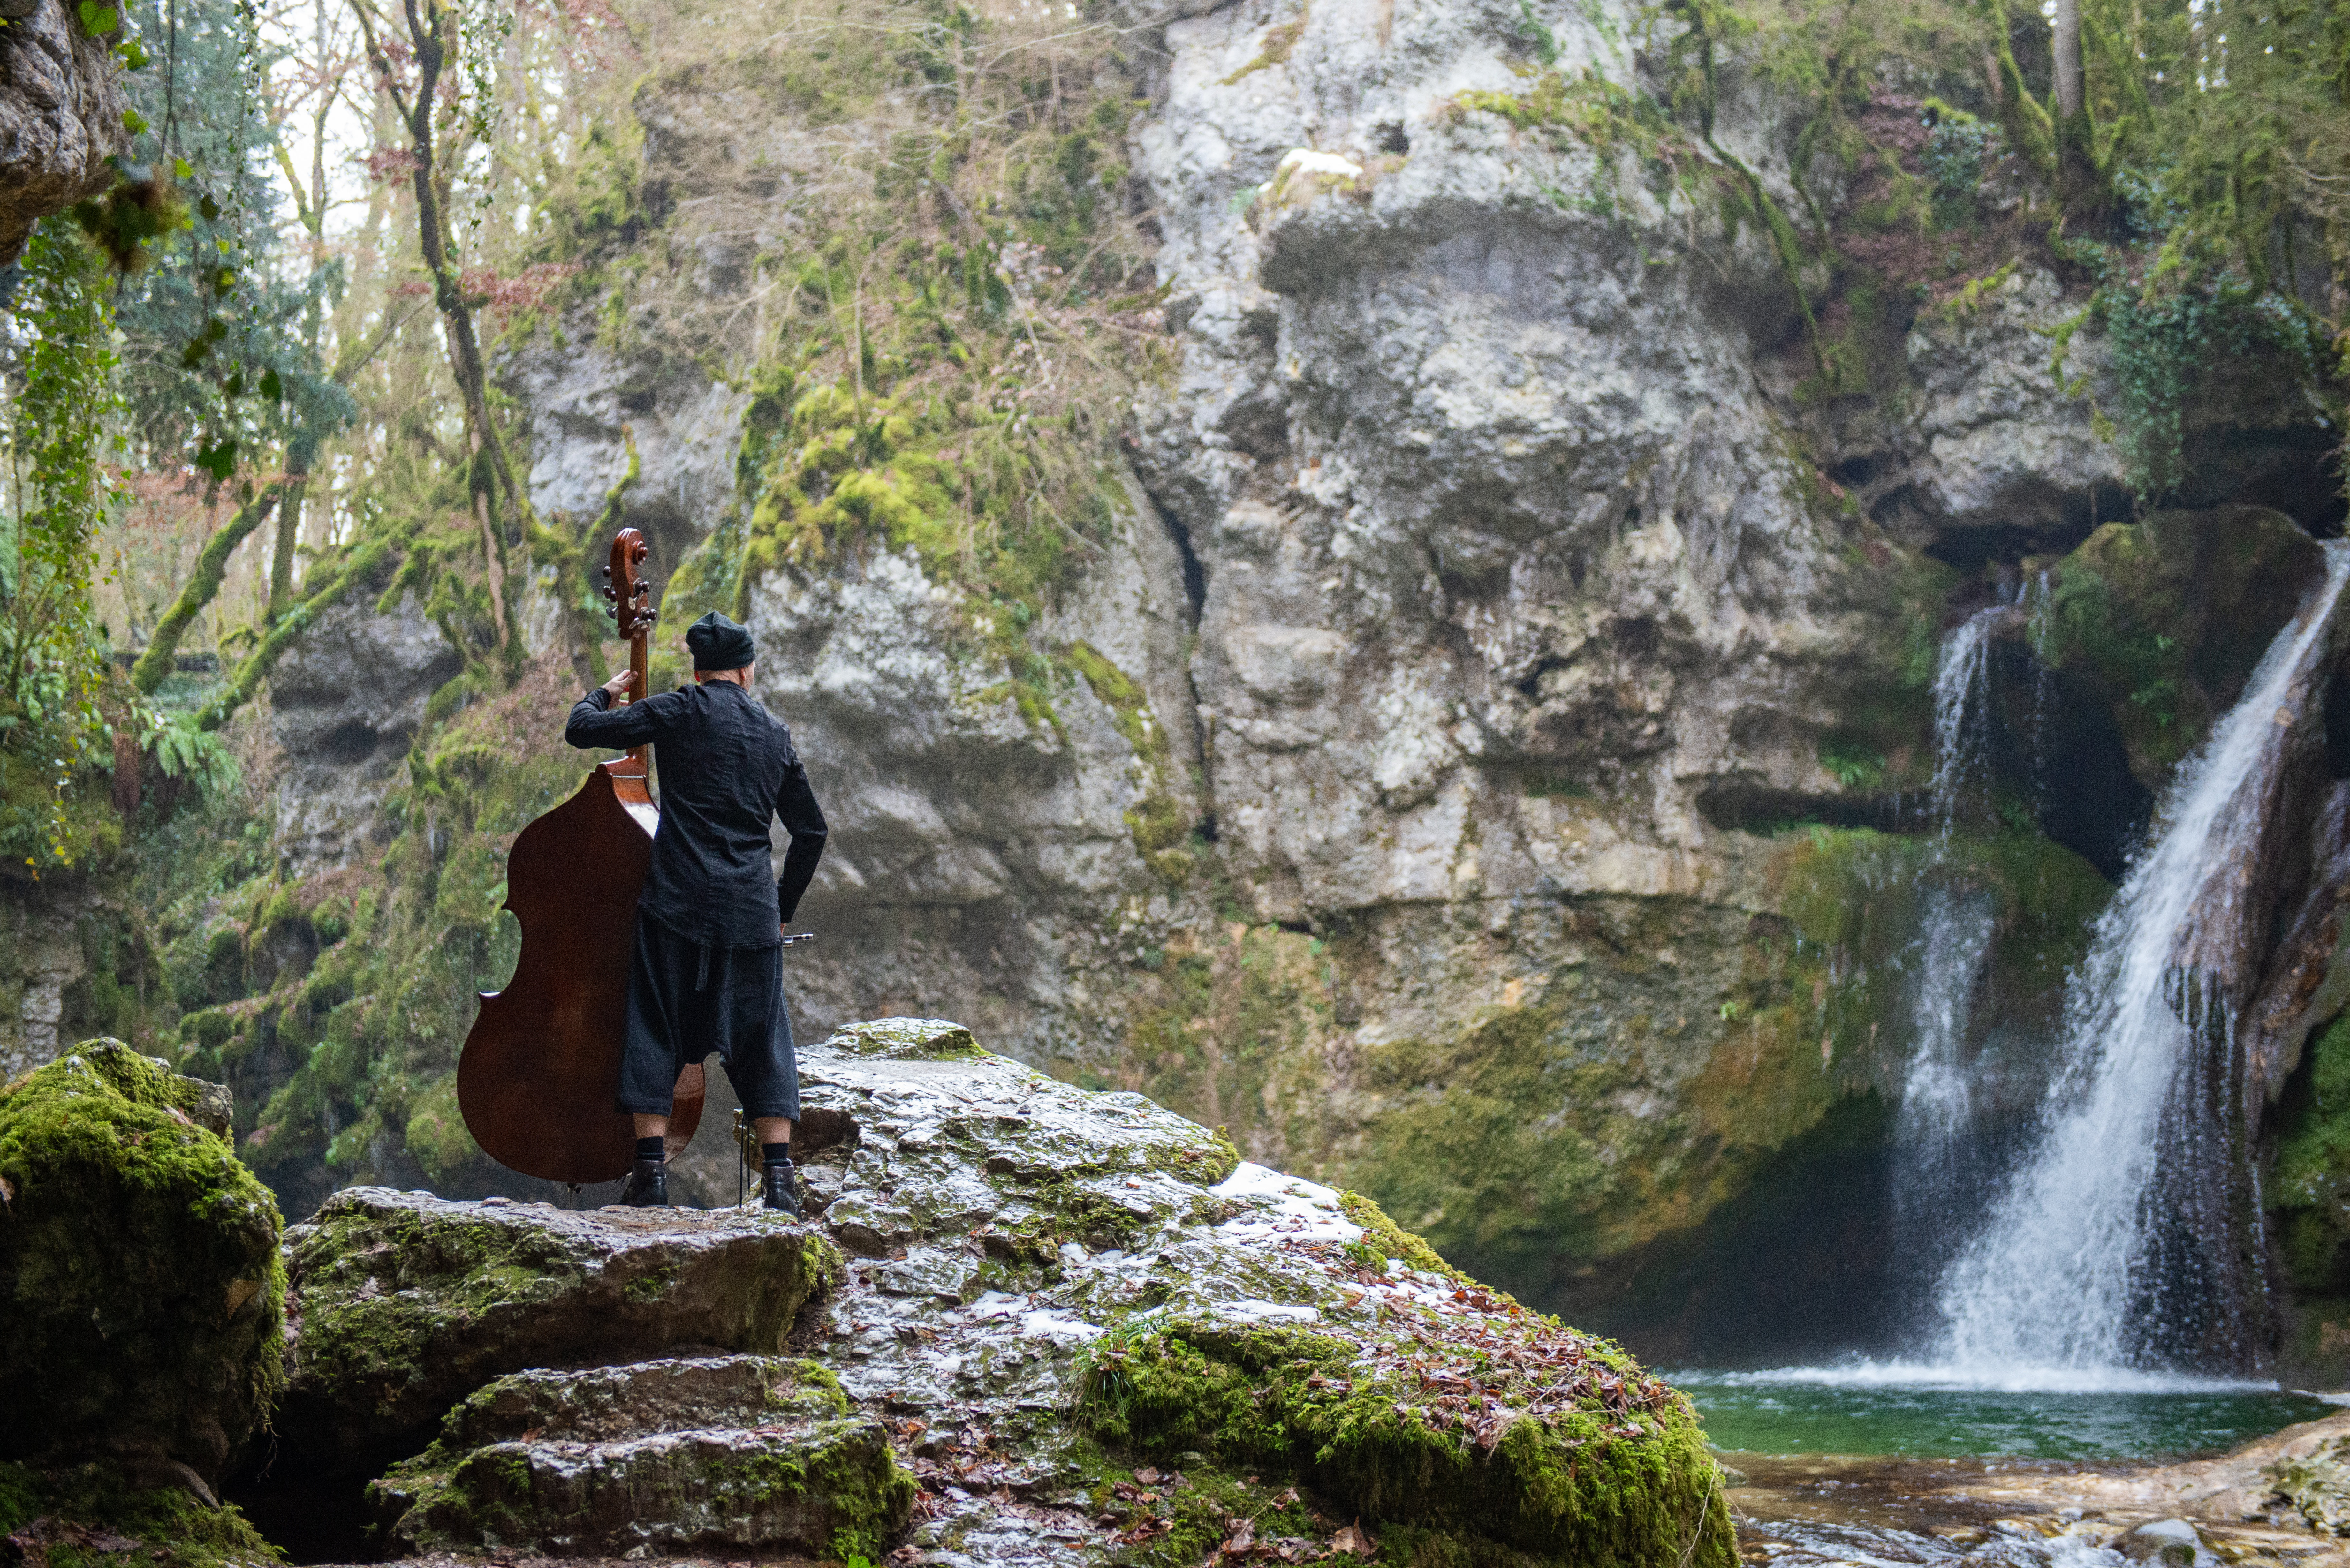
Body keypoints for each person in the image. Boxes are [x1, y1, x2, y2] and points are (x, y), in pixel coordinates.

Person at [563, 610, 827, 1214]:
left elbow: (583, 729)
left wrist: (609, 690)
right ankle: (782, 1184)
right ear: (746, 669)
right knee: (763, 1040)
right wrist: (781, 908)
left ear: (700, 669)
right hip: (751, 911)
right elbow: (812, 831)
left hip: (676, 902)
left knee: (653, 1025)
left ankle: (651, 1177)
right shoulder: (775, 734)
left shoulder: (680, 709)